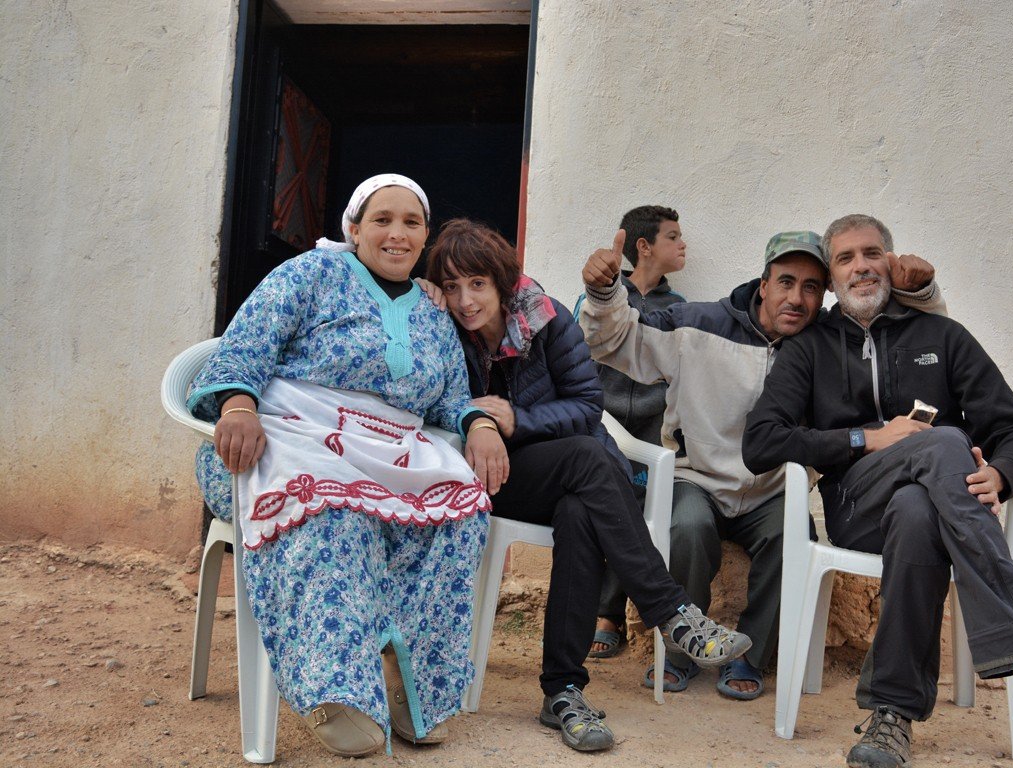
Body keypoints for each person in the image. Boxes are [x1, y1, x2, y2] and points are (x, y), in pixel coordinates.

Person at [742, 214, 1013, 768]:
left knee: (918, 510)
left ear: (890, 263)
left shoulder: (941, 337)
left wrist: (1001, 475)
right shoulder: (810, 349)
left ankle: (891, 715)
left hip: (936, 509)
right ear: (832, 277)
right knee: (945, 440)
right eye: (846, 258)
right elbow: (761, 443)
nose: (861, 267)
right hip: (857, 506)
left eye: (872, 254)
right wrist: (868, 438)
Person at [188, 174, 508, 758]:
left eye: (411, 223)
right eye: (382, 220)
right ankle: (337, 693)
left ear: (424, 237)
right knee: (334, 509)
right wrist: (237, 404)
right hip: (285, 437)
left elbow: (449, 400)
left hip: (385, 453)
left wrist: (480, 425)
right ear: (354, 228)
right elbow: (246, 344)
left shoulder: (434, 315)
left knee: (460, 513)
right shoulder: (309, 274)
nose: (396, 233)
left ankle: (416, 690)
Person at [424, 218, 751, 753]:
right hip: (483, 476)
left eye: (478, 284)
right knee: (586, 459)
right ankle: (669, 611)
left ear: (504, 283)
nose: (464, 300)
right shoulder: (435, 326)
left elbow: (585, 404)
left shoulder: (547, 320)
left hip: (560, 470)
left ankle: (563, 692)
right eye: (453, 285)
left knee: (580, 511)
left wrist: (516, 419)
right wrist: (482, 423)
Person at [579, 228, 943, 700]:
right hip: (699, 477)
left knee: (794, 537)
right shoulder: (697, 323)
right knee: (686, 528)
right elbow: (614, 341)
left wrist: (923, 293)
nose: (797, 298)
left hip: (774, 488)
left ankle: (752, 656)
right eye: (787, 282)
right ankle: (682, 651)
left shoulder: (829, 345)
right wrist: (605, 292)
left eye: (812, 287)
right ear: (764, 283)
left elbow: (915, 347)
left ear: (825, 295)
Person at [573, 204, 687, 658]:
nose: (683, 245)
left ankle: (611, 612)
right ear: (643, 246)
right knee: (604, 499)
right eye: (673, 236)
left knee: (640, 504)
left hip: (656, 433)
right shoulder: (598, 296)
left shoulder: (678, 308)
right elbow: (577, 351)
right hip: (604, 426)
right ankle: (603, 613)